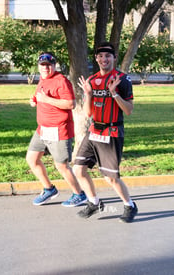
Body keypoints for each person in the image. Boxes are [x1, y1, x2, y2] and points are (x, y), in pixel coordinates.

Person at [74, 42, 138, 223]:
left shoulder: (122, 80)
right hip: (94, 130)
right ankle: (94, 203)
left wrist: (114, 93)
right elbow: (88, 113)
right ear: (96, 58)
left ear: (114, 58)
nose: (104, 59)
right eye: (101, 56)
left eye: (108, 56)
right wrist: (89, 94)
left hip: (112, 132)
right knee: (78, 170)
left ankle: (130, 205)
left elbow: (129, 110)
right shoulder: (92, 80)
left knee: (111, 178)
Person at [26, 52, 87, 207]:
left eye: (49, 65)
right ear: (39, 66)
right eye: (43, 65)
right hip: (42, 129)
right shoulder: (43, 79)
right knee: (32, 159)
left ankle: (79, 194)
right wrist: (35, 100)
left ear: (54, 65)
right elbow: (40, 94)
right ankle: (49, 189)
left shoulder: (61, 81)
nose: (45, 68)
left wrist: (46, 100)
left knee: (61, 165)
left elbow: (70, 104)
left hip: (59, 129)